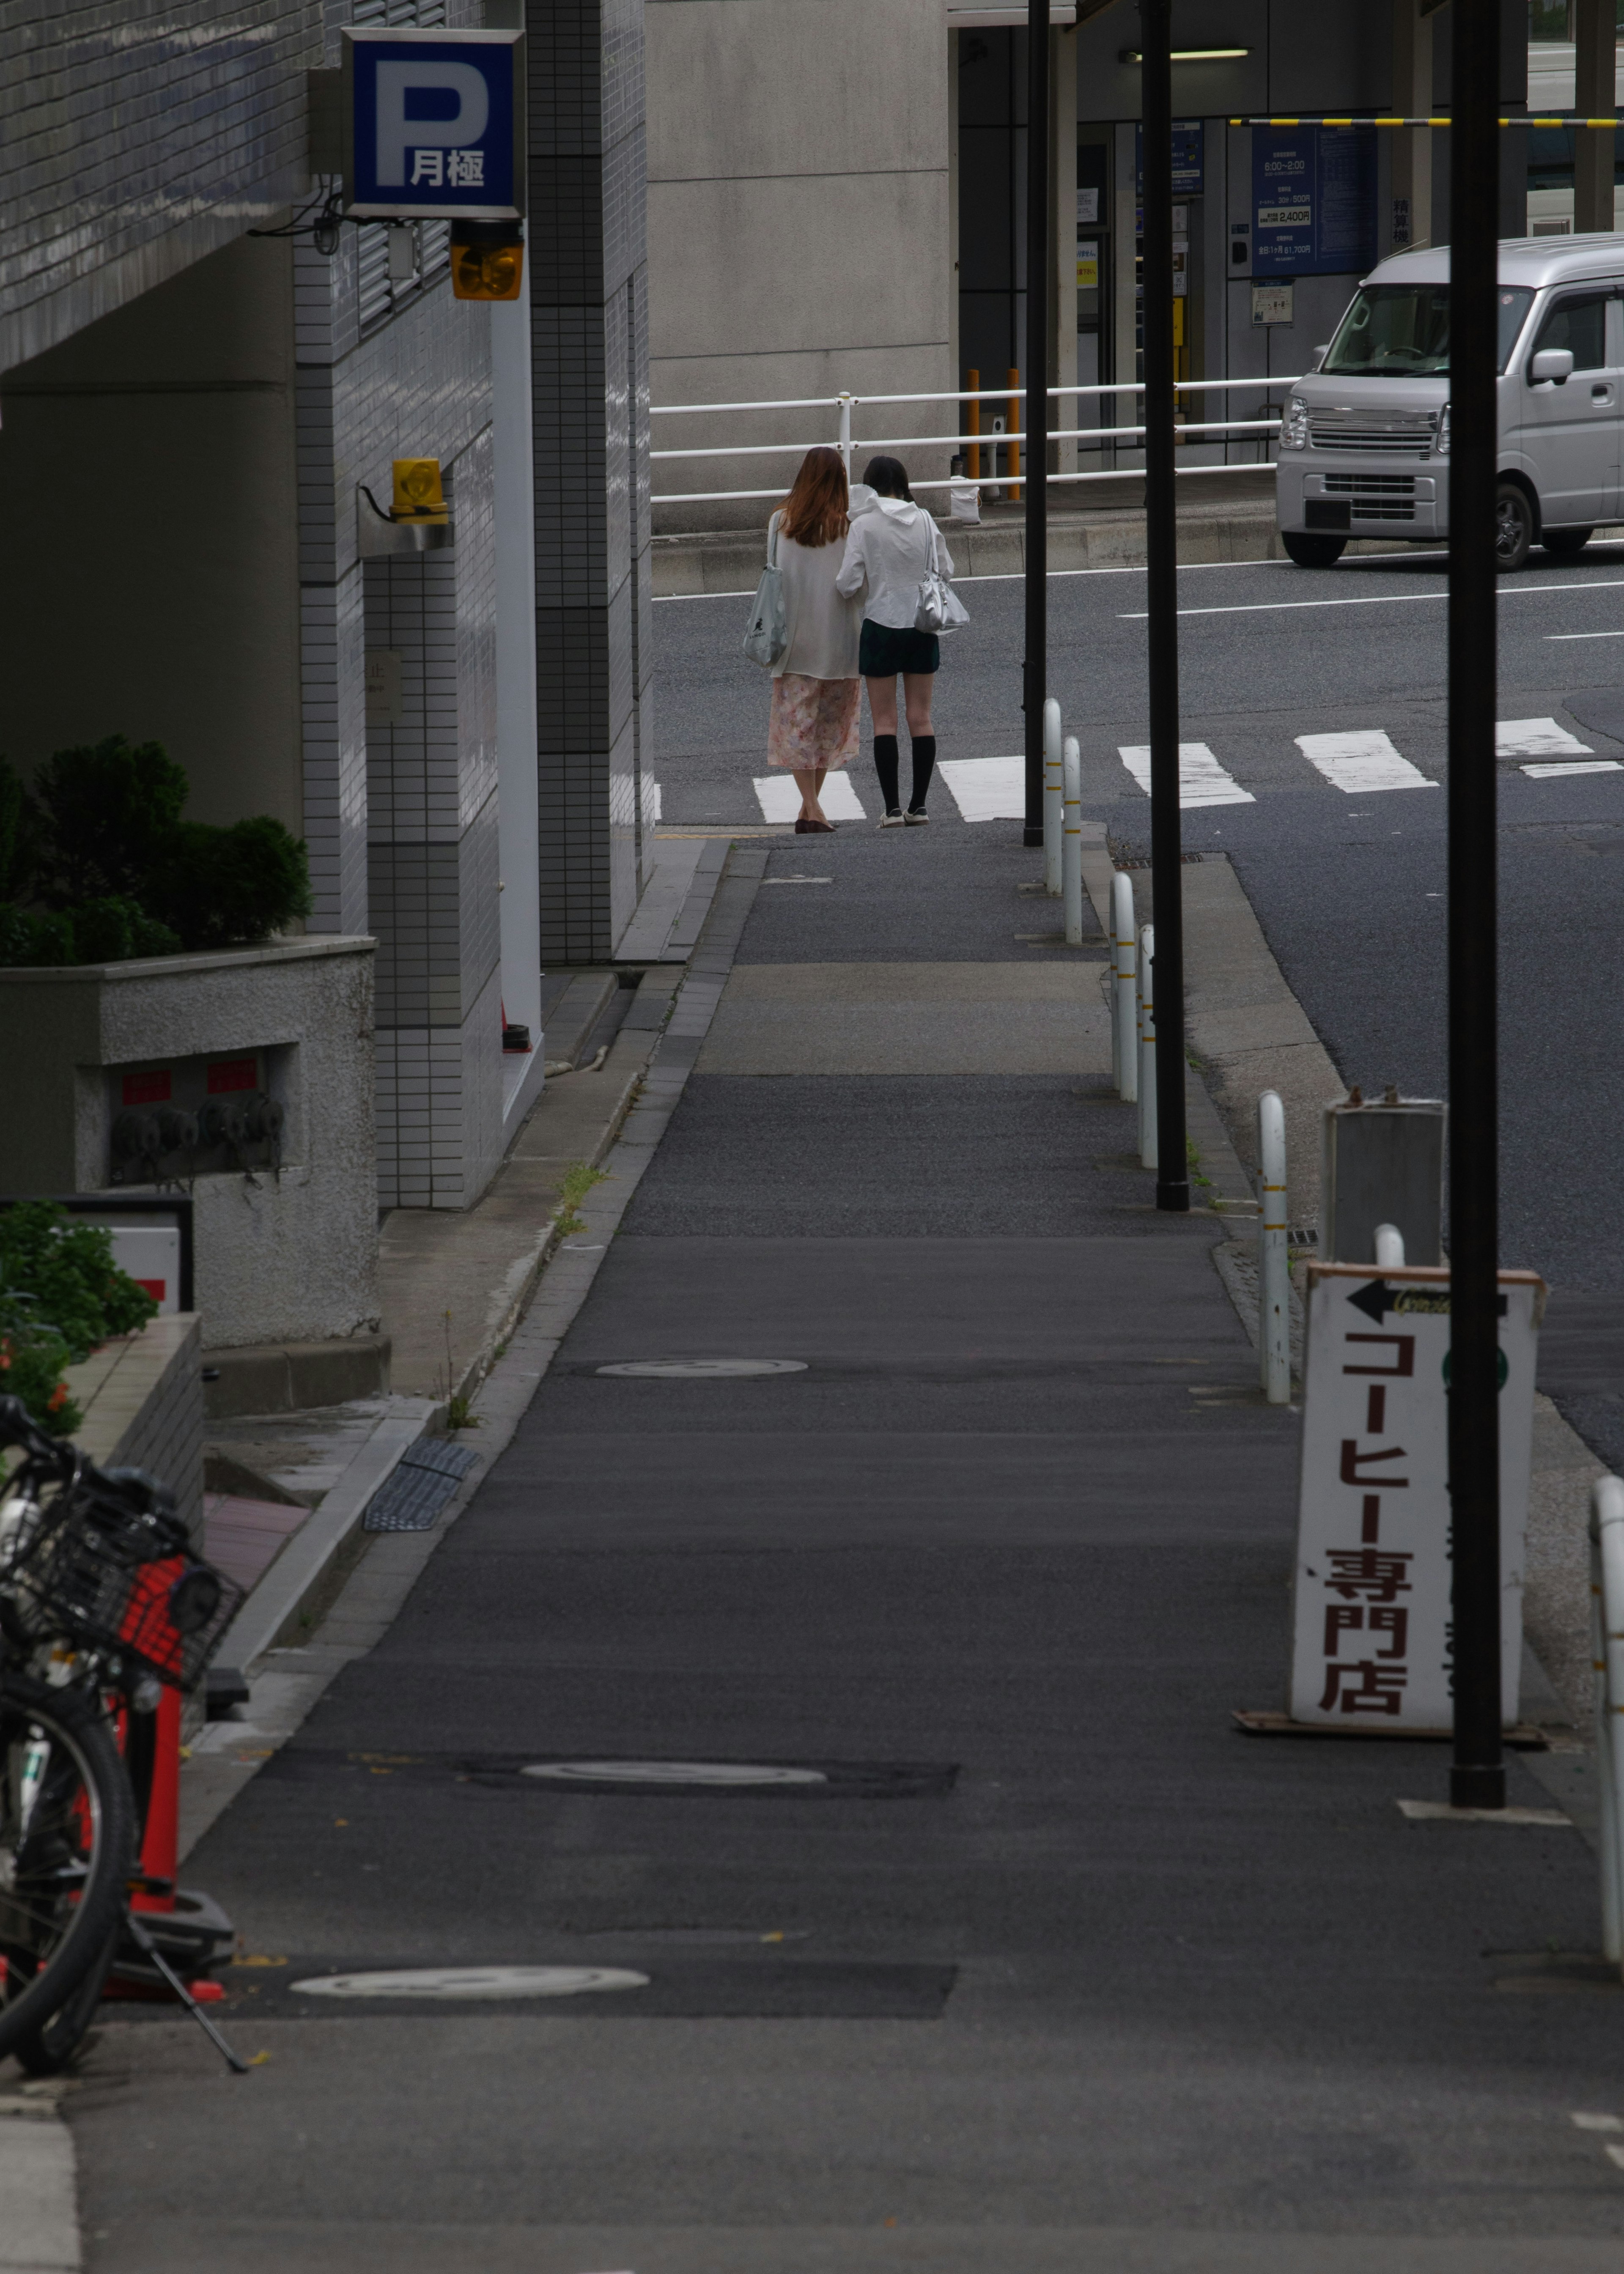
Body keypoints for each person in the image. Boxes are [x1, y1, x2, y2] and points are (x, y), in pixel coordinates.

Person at [836, 454, 955, 826]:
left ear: (869, 488)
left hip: (882, 625)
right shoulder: (924, 518)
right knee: (921, 718)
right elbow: (946, 569)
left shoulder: (864, 524)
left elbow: (846, 583)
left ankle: (890, 809)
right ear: (903, 483)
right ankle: (919, 806)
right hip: (922, 625)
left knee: (884, 722)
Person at [764, 445, 863, 833]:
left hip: (793, 640)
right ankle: (813, 807)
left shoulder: (780, 522)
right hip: (841, 641)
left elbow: (772, 575)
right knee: (827, 728)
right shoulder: (849, 527)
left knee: (797, 727)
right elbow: (858, 584)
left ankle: (811, 809)